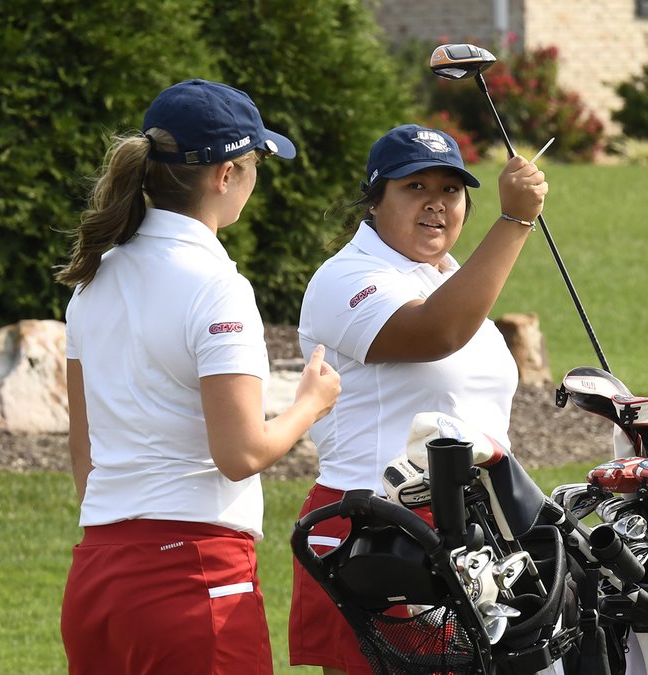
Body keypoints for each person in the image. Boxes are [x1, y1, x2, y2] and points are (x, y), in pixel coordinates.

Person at [56, 79, 340, 675]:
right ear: (226, 174)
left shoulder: (93, 280)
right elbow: (240, 452)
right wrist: (309, 405)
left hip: (97, 579)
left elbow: (85, 459)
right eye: (256, 162)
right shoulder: (217, 288)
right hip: (191, 578)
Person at [288, 124, 548, 674]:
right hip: (376, 530)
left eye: (451, 190)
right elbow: (434, 335)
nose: (437, 204)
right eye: (415, 187)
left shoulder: (451, 279)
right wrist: (515, 222)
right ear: (375, 199)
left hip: (470, 530)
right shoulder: (346, 277)